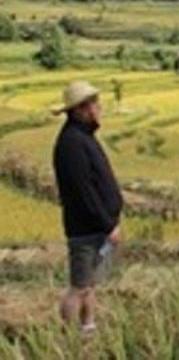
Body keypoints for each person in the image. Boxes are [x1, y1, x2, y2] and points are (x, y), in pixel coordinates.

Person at [51, 81, 123, 334]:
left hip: (96, 227)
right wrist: (108, 224)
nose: (98, 108)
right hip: (86, 228)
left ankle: (88, 328)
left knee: (89, 284)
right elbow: (84, 193)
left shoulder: (82, 136)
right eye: (93, 103)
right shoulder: (72, 143)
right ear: (80, 109)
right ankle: (67, 336)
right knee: (79, 286)